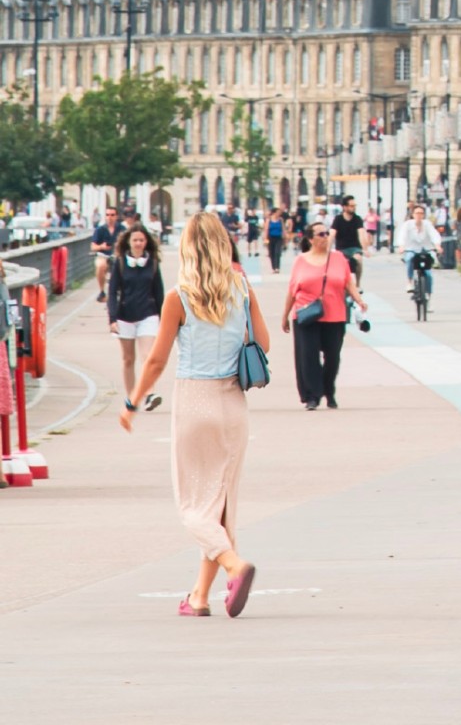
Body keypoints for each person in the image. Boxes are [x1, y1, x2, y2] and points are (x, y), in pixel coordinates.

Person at [118, 209, 267, 618]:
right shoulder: (241, 287)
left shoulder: (178, 298)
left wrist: (133, 403)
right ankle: (199, 597)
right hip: (234, 402)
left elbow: (156, 362)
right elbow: (264, 343)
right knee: (220, 503)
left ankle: (235, 565)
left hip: (195, 401)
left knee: (192, 505)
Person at [283, 221, 363, 409]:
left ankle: (329, 390)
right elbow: (292, 290)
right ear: (310, 239)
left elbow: (349, 283)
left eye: (327, 233)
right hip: (306, 314)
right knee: (308, 355)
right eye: (321, 234)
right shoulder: (300, 261)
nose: (326, 237)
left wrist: (359, 300)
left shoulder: (338, 258)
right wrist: (285, 315)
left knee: (333, 357)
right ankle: (312, 396)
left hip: (335, 315)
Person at [107, 221, 167, 411]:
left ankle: (149, 393)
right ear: (129, 242)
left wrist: (164, 317)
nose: (138, 243)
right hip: (125, 315)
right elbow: (112, 292)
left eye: (141, 240)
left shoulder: (154, 264)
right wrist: (112, 318)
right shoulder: (120, 264)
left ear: (146, 242)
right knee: (128, 359)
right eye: (135, 240)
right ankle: (132, 398)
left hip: (148, 314)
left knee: (147, 356)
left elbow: (159, 292)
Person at [397, 202, 442, 296]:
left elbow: (434, 234)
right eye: (417, 213)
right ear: (413, 215)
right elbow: (402, 236)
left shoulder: (427, 224)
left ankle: (428, 296)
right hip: (411, 249)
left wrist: (437, 245)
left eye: (421, 213)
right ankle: (409, 281)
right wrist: (401, 246)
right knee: (409, 259)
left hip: (426, 250)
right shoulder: (407, 225)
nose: (419, 215)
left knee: (428, 274)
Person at [332, 196, 365, 278]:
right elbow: (332, 234)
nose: (354, 208)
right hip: (341, 248)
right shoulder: (338, 219)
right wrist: (326, 250)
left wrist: (365, 249)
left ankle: (357, 285)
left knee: (359, 260)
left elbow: (361, 234)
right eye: (351, 206)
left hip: (355, 248)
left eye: (355, 206)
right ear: (345, 207)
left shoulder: (357, 219)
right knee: (339, 265)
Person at [265, 208, 286, 273]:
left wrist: (285, 237)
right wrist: (265, 238)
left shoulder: (280, 220)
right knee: (272, 253)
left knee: (277, 252)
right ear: (274, 213)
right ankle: (273, 268)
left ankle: (277, 268)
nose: (279, 214)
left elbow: (283, 229)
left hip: (278, 238)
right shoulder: (269, 220)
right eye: (278, 212)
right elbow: (266, 229)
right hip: (271, 238)